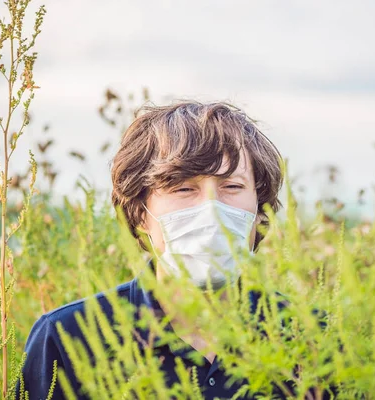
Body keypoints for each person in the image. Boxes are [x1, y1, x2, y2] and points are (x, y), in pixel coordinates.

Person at [18, 101, 330, 399]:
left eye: (232, 187)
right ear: (140, 213)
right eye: (183, 189)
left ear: (261, 210)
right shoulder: (68, 339)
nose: (212, 209)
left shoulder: (309, 336)